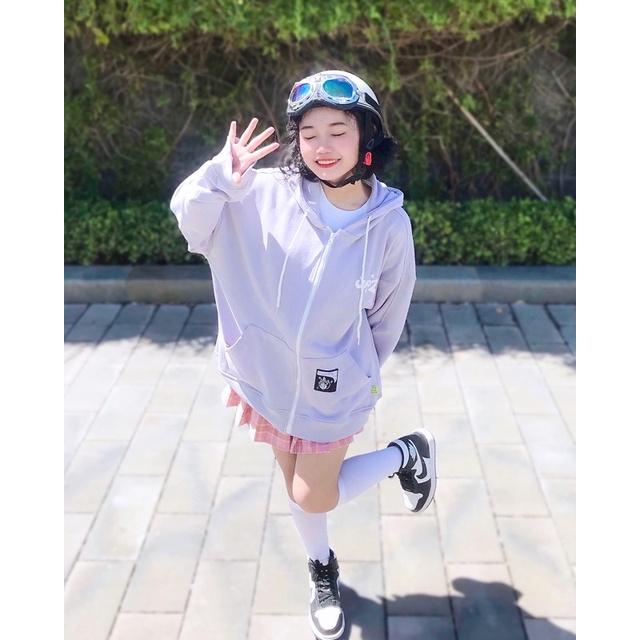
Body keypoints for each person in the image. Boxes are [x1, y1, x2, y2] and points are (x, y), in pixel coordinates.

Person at [170, 69, 436, 640]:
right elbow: (192, 224)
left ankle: (405, 454)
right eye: (309, 133)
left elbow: (389, 314)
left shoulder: (389, 226)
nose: (322, 146)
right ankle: (322, 571)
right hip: (266, 379)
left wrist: (355, 370)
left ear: (366, 137)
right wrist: (218, 178)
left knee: (313, 493)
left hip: (331, 387)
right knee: (297, 486)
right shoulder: (258, 193)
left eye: (338, 131)